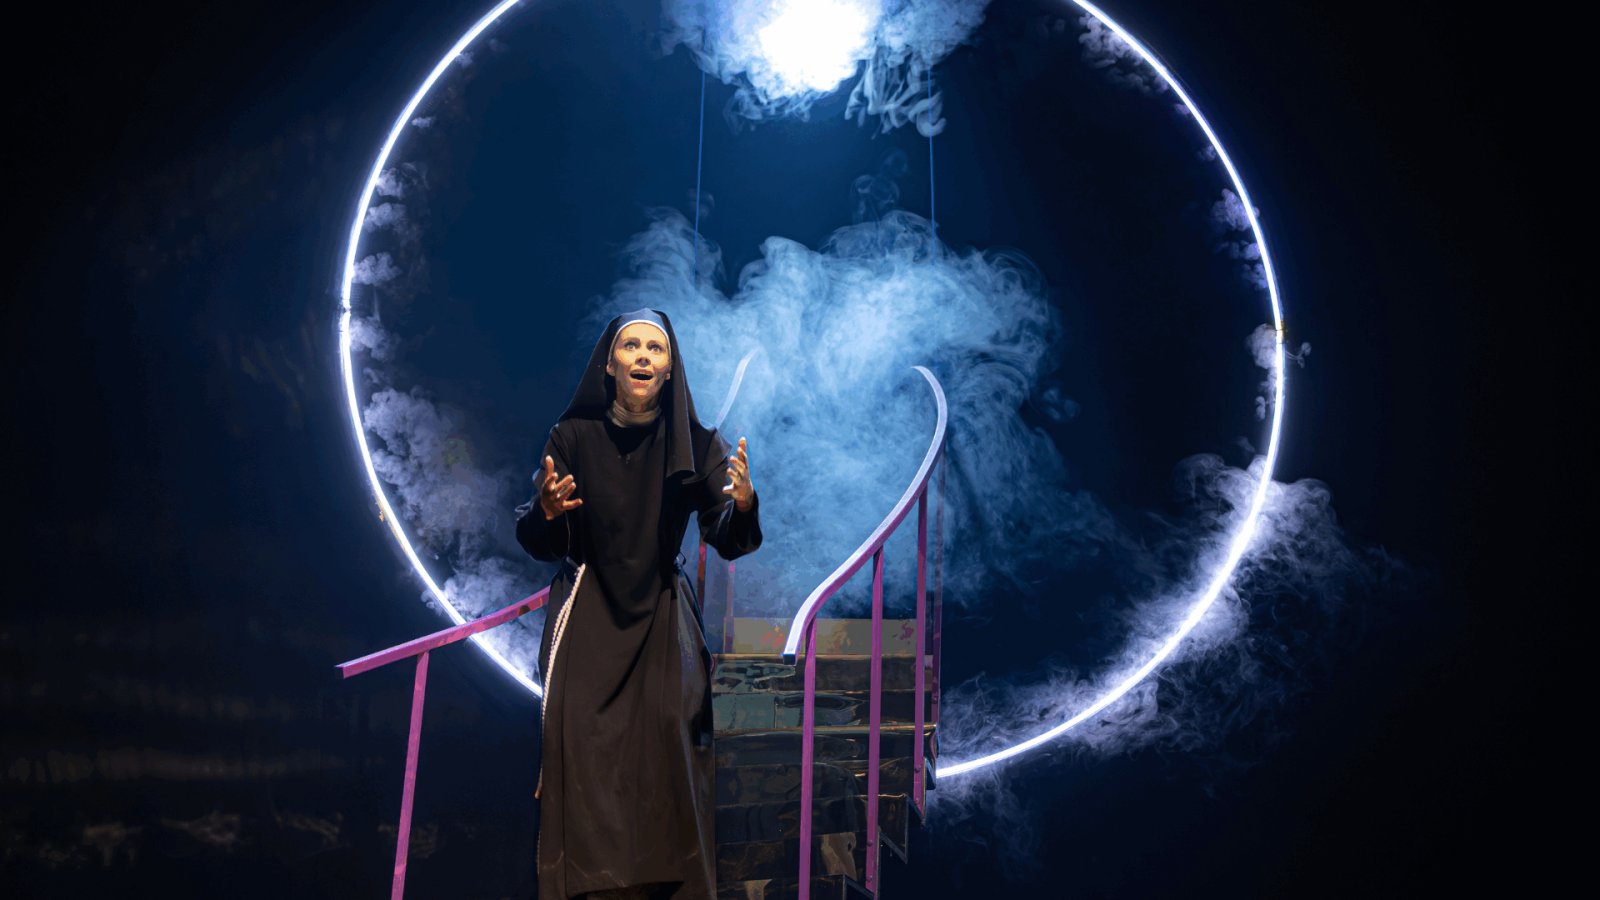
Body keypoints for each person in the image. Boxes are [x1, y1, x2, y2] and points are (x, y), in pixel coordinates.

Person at [515, 308, 762, 900]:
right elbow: (541, 539)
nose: (644, 356)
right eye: (632, 346)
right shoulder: (571, 436)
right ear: (610, 364)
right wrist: (547, 512)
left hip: (660, 616)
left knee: (669, 746)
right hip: (589, 613)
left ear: (670, 367)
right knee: (583, 753)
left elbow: (726, 536)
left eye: (656, 348)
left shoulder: (698, 442)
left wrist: (743, 505)